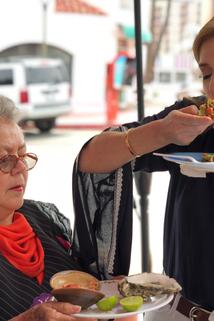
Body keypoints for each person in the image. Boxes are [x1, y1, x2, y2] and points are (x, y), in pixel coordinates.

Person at [74, 17, 214, 321]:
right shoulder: (193, 121)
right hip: (181, 313)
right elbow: (91, 157)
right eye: (207, 74)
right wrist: (162, 133)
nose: (213, 86)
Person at [0, 95, 136, 321]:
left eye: (23, 155)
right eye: (4, 159)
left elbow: (87, 294)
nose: (21, 168)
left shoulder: (43, 218)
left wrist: (114, 300)